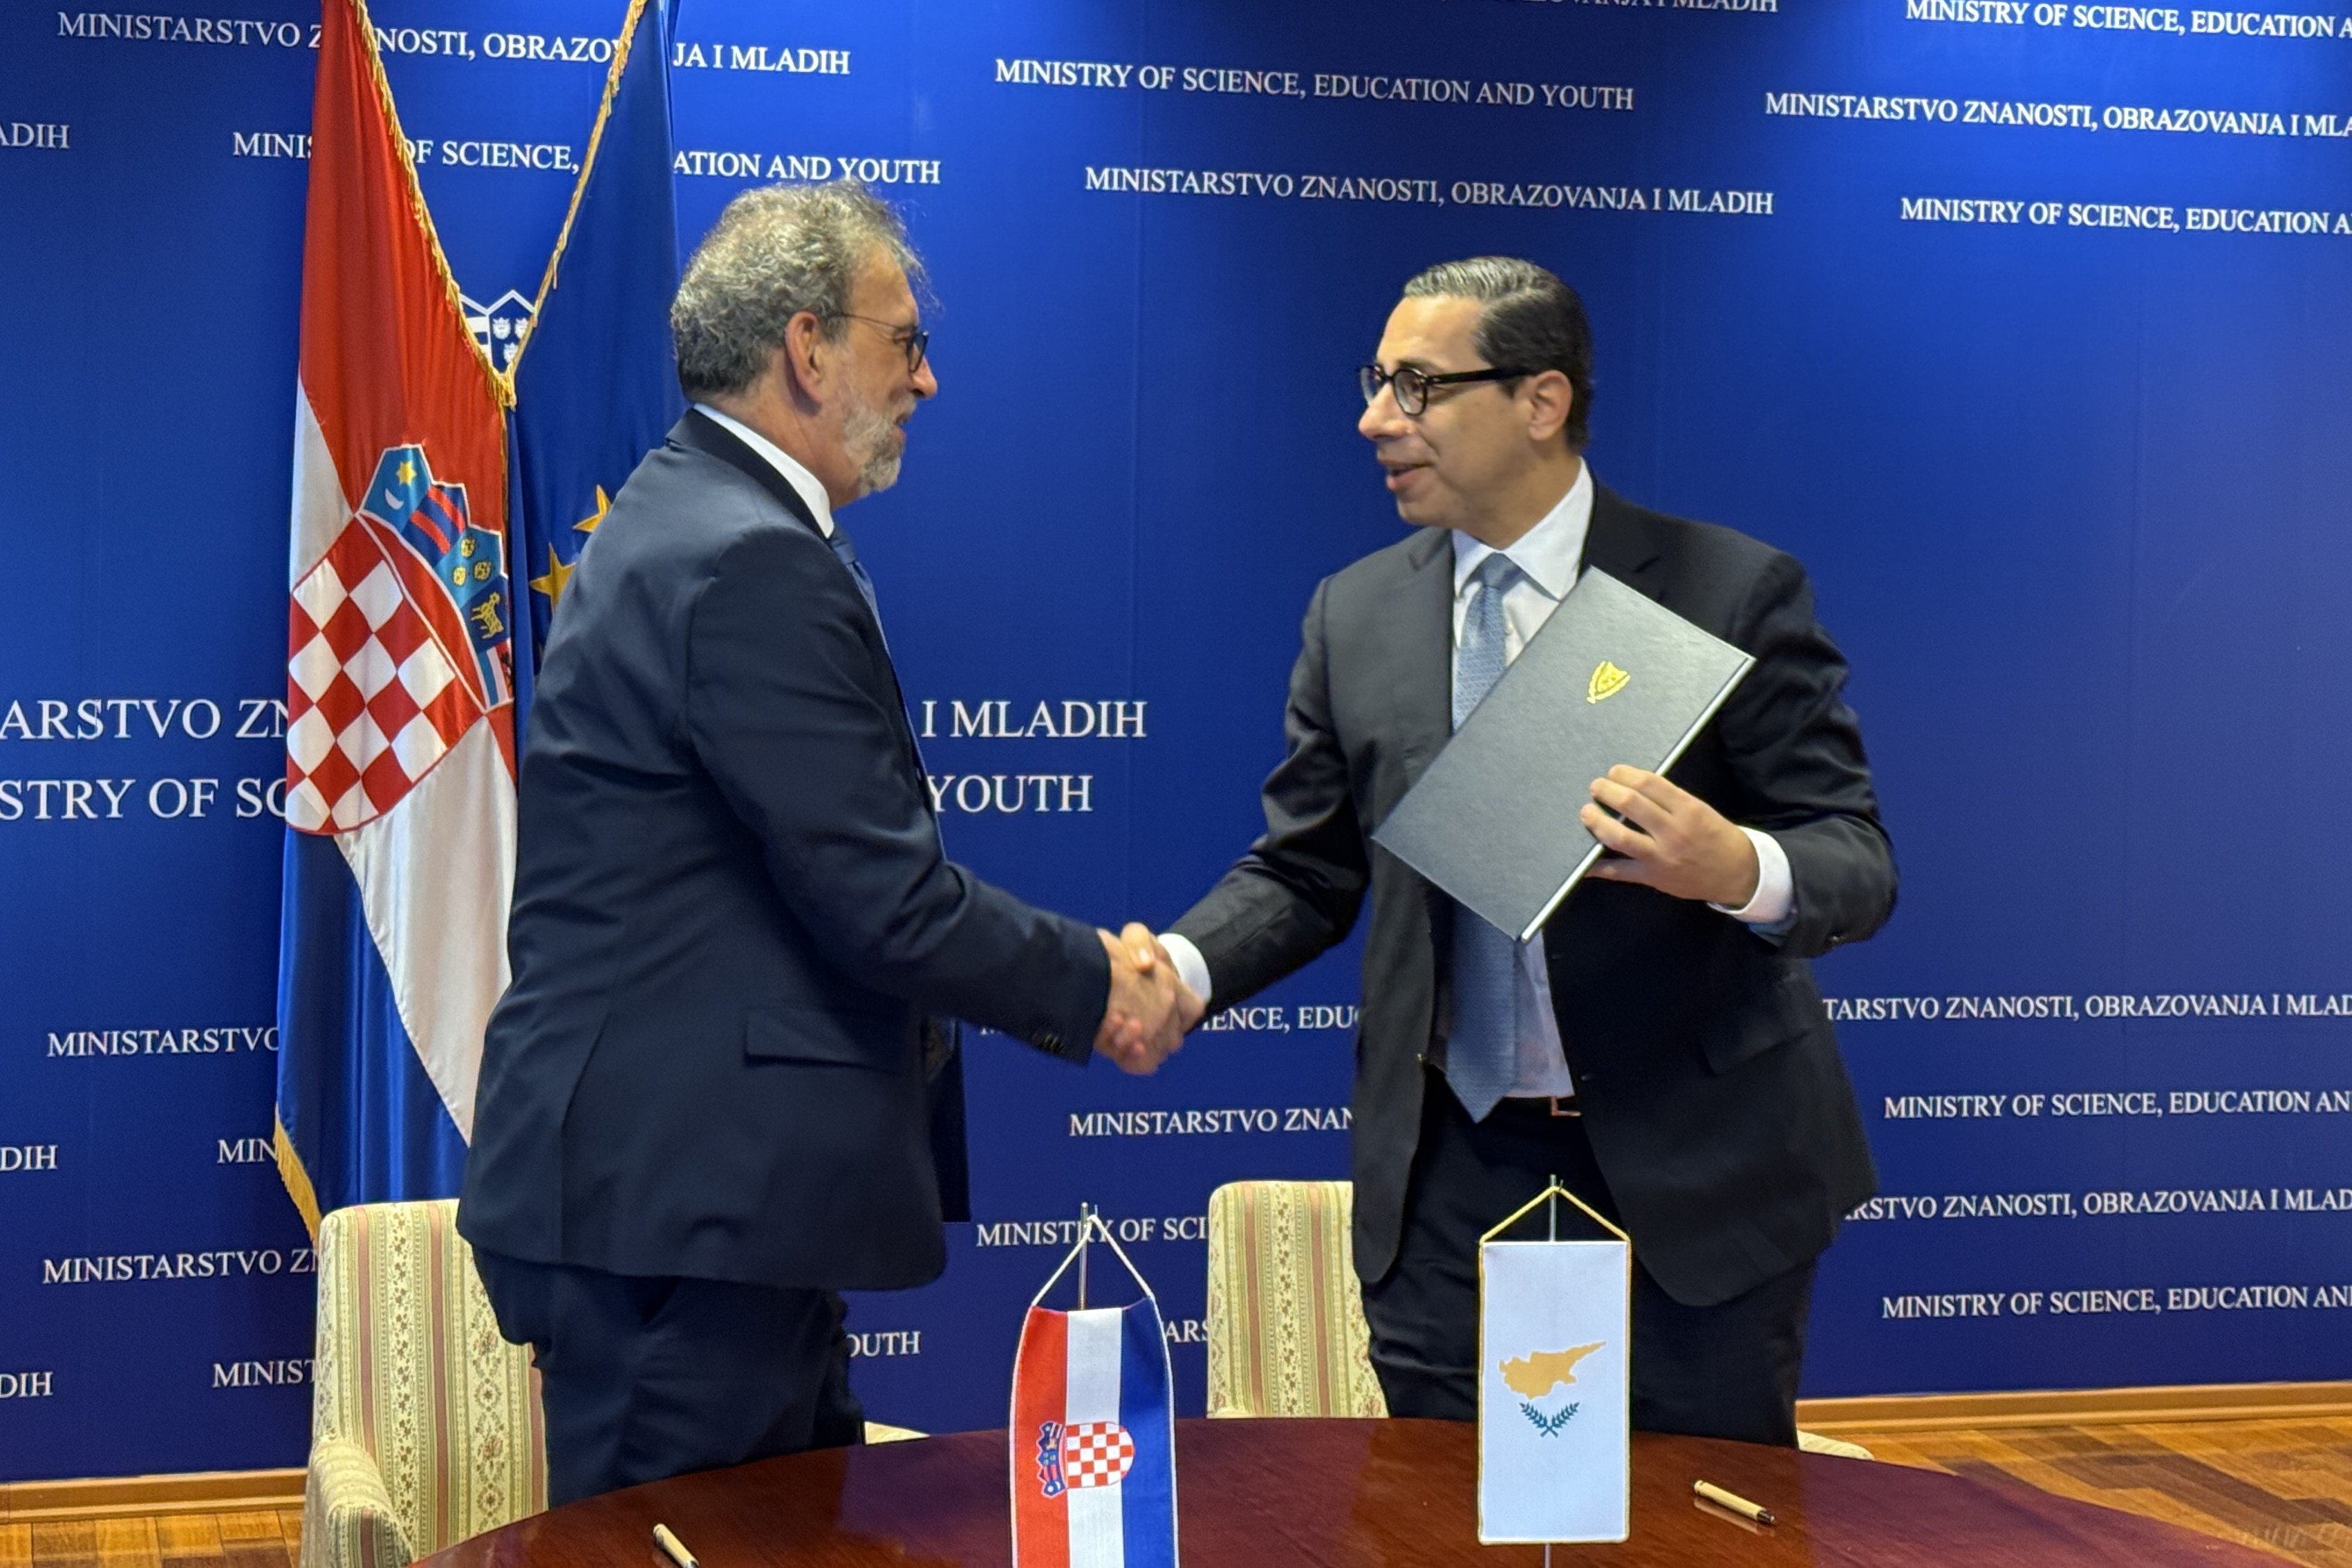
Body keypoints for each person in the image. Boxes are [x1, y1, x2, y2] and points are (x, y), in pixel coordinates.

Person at [458, 180, 1197, 1504]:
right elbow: (882, 899)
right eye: (903, 340)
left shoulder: (694, 516)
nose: (926, 379)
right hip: (684, 1219)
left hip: (708, 1210)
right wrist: (1099, 986)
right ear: (807, 347)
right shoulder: (745, 556)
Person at [1157, 256, 1894, 1445]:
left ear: (1539, 400)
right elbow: (1305, 869)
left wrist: (1736, 868)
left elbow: (1853, 856)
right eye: (1374, 383)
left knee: (1693, 1525)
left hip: (1692, 1176)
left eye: (1416, 386)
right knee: (1440, 1517)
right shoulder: (1355, 613)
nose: (1374, 420)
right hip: (1451, 1177)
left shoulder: (1723, 590)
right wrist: (1178, 973)